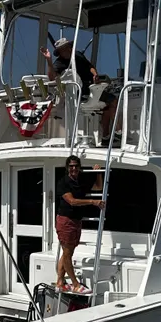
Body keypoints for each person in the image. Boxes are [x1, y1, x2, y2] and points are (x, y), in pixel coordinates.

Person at [40, 37, 120, 146]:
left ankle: (106, 137)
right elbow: (52, 78)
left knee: (107, 106)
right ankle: (118, 131)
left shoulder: (78, 55)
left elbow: (90, 66)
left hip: (90, 87)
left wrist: (95, 75)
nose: (67, 50)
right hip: (79, 93)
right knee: (113, 101)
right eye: (63, 49)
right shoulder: (59, 63)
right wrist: (48, 60)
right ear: (59, 52)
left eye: (67, 47)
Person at [54, 155, 105, 293]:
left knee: (67, 253)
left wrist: (97, 173)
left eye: (76, 165)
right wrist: (93, 202)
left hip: (76, 221)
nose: (74, 168)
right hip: (65, 221)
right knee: (67, 253)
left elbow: (98, 186)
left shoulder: (81, 180)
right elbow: (72, 201)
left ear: (79, 167)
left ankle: (60, 282)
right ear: (67, 168)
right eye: (71, 166)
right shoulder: (63, 182)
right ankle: (76, 285)